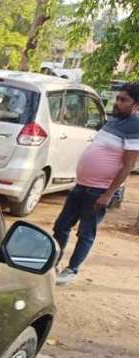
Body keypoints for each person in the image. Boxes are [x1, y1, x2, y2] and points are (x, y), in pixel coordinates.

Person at [54, 82, 139, 285]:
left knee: (85, 232)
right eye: (117, 98)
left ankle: (71, 270)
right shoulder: (112, 121)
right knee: (61, 226)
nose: (118, 102)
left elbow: (128, 165)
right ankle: (52, 262)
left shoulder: (135, 127)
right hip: (81, 185)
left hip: (99, 190)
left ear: (136, 105)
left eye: (124, 100)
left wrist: (108, 194)